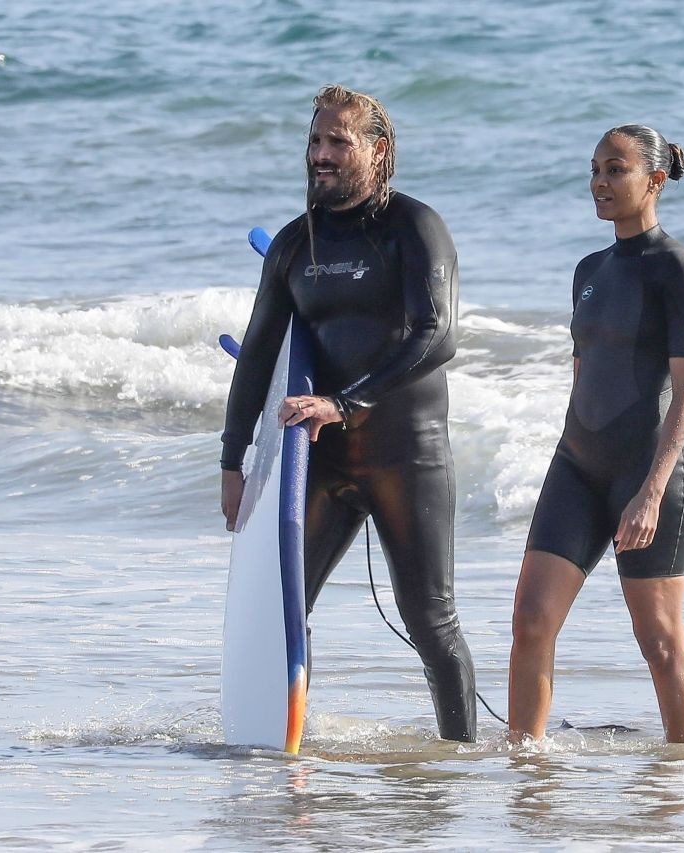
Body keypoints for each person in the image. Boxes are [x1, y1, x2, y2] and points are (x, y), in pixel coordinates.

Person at [220, 85, 476, 742]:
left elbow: (437, 333)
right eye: (315, 141)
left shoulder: (414, 227)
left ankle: (456, 761)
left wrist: (343, 401)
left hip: (405, 453)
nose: (322, 155)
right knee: (282, 609)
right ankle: (282, 744)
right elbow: (257, 357)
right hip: (323, 456)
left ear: (377, 149)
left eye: (339, 141)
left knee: (430, 620)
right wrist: (232, 458)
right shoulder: (293, 246)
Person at [508, 125, 684, 744]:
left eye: (616, 169)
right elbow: (583, 375)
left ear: (654, 180)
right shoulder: (588, 269)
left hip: (648, 472)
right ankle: (525, 771)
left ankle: (680, 779)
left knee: (657, 638)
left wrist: (650, 490)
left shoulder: (677, 269)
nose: (600, 181)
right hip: (577, 465)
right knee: (531, 623)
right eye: (595, 169)